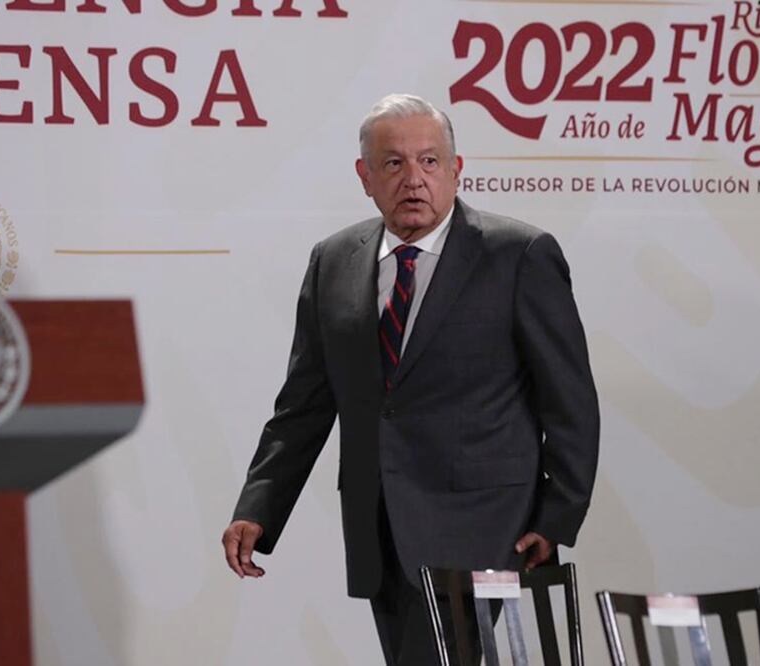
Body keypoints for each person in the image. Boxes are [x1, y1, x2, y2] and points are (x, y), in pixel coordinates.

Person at [222, 93, 599, 665]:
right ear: (365, 176)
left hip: (483, 526)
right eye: (394, 163)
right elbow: (303, 405)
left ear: (456, 170)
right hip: (379, 527)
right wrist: (259, 508)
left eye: (429, 161)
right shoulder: (334, 260)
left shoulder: (518, 255)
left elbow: (568, 400)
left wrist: (557, 516)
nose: (414, 179)